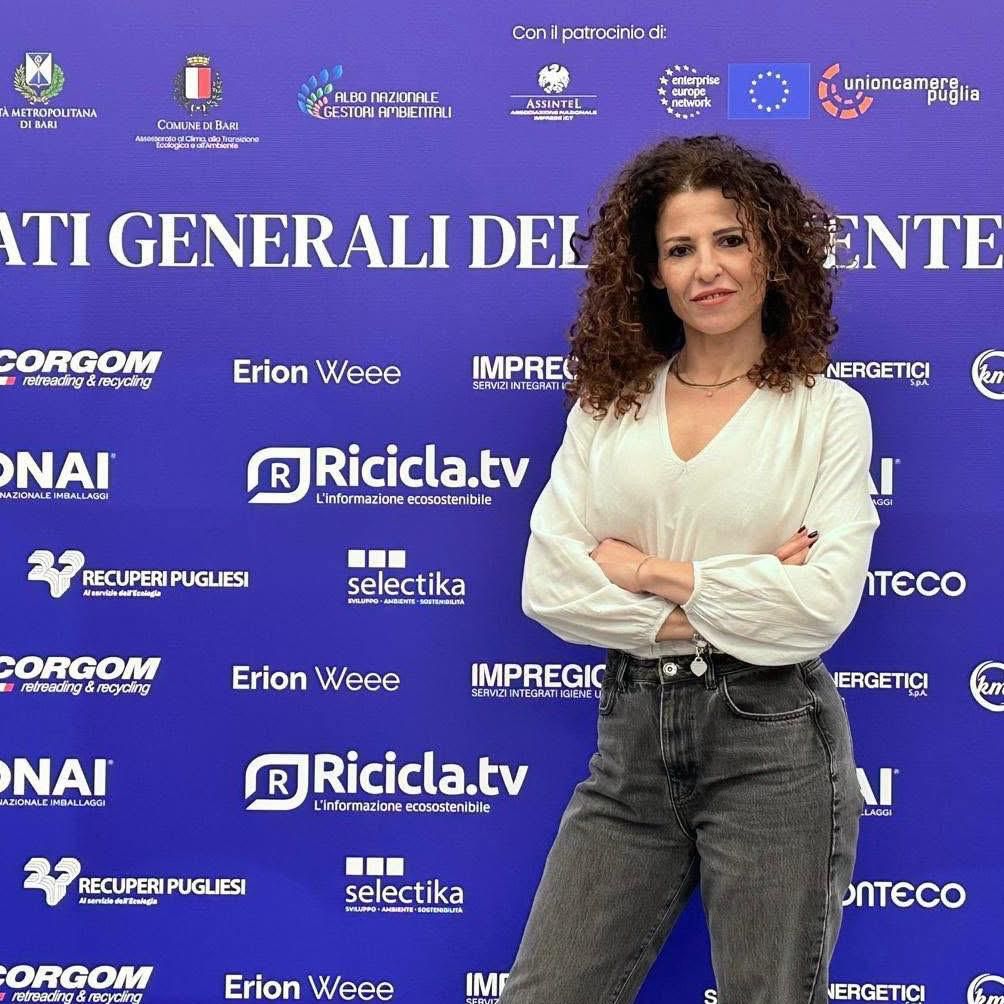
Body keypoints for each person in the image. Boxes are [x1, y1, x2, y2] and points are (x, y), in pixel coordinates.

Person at [501, 134, 880, 1004]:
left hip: (773, 740)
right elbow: (550, 585)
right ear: (653, 272)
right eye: (681, 249)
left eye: (730, 240)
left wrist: (648, 571)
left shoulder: (826, 414)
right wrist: (743, 583)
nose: (707, 269)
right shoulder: (610, 406)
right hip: (632, 740)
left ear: (772, 253)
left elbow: (817, 608)